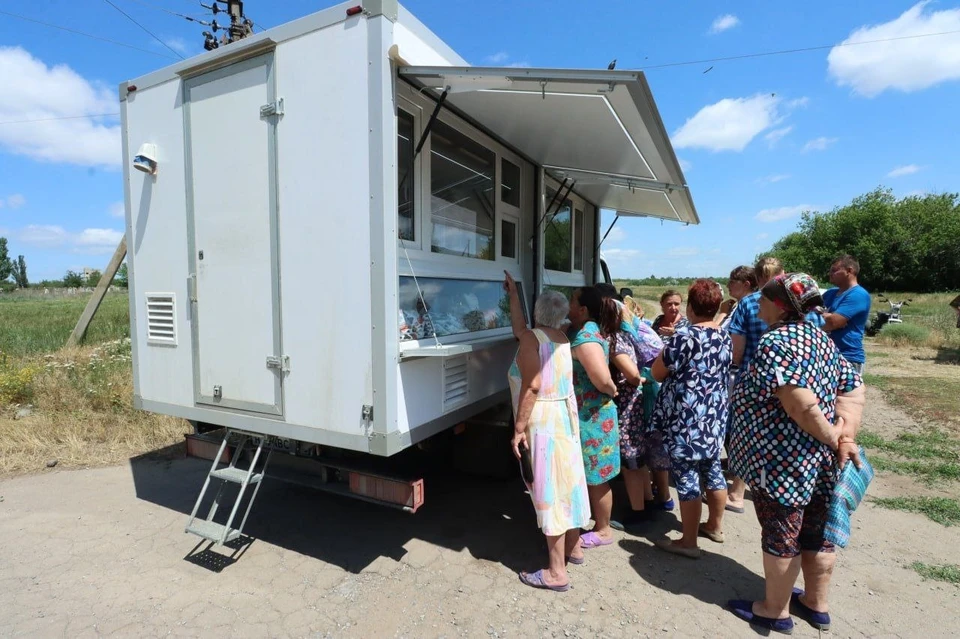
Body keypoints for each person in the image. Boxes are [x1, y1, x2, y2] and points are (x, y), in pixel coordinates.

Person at [727, 273, 865, 634]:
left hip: (782, 464)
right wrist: (844, 436)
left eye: (762, 299)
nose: (756, 305)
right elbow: (852, 389)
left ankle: (774, 610)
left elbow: (800, 406)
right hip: (819, 463)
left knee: (781, 534)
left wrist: (835, 437)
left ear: (779, 304)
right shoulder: (821, 338)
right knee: (818, 532)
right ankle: (816, 604)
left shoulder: (779, 341)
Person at [504, 273, 591, 592]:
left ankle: (556, 572)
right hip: (565, 419)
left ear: (538, 313)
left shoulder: (532, 340)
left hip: (544, 419)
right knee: (568, 481)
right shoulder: (563, 337)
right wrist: (514, 295)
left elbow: (532, 386)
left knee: (548, 489)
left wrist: (518, 429)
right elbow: (520, 329)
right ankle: (574, 548)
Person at [725, 256, 823, 513]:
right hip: (805, 382)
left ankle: (738, 493)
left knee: (750, 437)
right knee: (798, 436)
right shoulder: (811, 313)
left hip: (758, 384)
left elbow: (737, 350)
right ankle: (802, 491)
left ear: (757, 279)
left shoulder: (747, 305)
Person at [649, 279, 731, 558]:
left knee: (686, 478)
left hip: (687, 417)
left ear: (691, 306)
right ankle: (715, 527)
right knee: (713, 470)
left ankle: (689, 542)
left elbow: (657, 373)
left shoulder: (685, 337)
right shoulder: (723, 335)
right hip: (714, 415)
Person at [597, 287, 671, 527]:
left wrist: (626, 381)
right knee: (639, 457)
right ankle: (647, 502)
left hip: (628, 405)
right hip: (637, 403)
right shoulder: (629, 334)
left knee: (631, 460)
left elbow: (630, 374)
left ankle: (637, 512)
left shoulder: (615, 341)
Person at [568, 285, 621, 549]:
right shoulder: (592, 331)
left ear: (583, 309)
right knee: (595, 475)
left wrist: (612, 390)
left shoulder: (586, 337)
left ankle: (603, 530)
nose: (568, 305)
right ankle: (600, 525)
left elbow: (602, 380)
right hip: (592, 414)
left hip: (593, 417)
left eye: (572, 301)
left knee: (596, 477)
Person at [821, 255, 872, 374]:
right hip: (824, 355)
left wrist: (829, 318)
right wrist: (827, 317)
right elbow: (806, 314)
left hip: (847, 358)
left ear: (849, 271)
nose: (830, 273)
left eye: (834, 270)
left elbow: (832, 322)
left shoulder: (858, 295)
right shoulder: (829, 294)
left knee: (845, 393)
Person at [716, 265, 758, 331]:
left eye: (732, 282)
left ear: (746, 285)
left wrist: (722, 314)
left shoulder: (748, 309)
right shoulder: (739, 307)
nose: (727, 285)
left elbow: (714, 334)